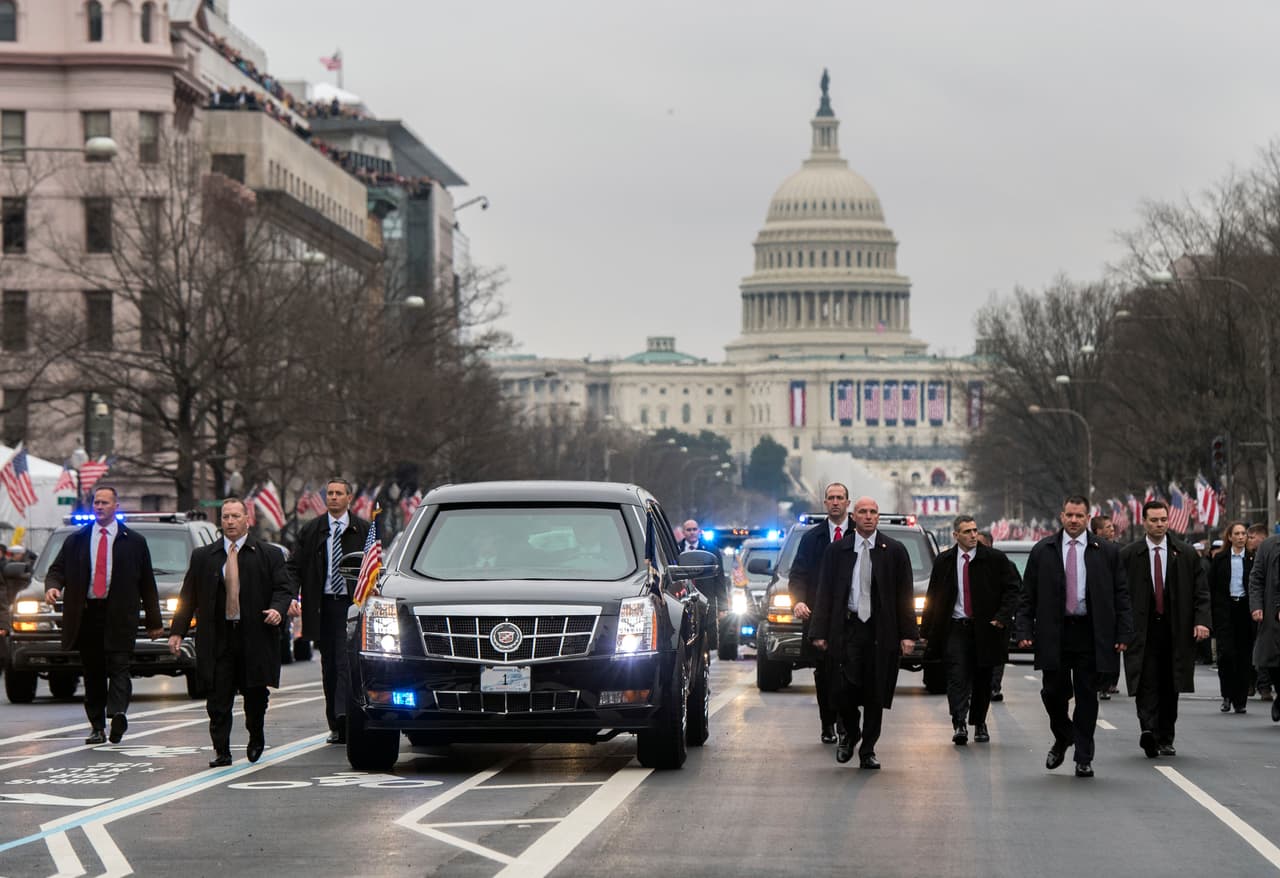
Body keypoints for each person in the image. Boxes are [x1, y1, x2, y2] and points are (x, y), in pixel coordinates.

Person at [169, 498, 293, 766]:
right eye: (225, 517)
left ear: (247, 519)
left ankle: (256, 737)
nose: (230, 521)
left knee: (255, 695)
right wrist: (177, 631)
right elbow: (188, 596)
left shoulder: (267, 555)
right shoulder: (204, 557)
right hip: (218, 636)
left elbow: (283, 589)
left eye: (236, 516)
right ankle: (221, 751)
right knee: (217, 696)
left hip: (254, 635)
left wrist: (277, 610)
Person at [1016, 496, 1132, 778]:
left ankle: (1083, 756)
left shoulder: (1105, 551)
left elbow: (1121, 595)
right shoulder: (1043, 550)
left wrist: (1123, 631)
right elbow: (1027, 595)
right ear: (1061, 516)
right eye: (1069, 515)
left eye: (1079, 515)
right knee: (1052, 692)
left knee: (1086, 696)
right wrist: (1023, 629)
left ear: (1087, 517)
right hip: (1054, 632)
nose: (1074, 520)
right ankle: (1064, 734)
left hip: (1090, 633)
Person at [45, 486, 162, 745]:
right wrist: (53, 586)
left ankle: (117, 713)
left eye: (105, 502)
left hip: (120, 614)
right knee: (94, 672)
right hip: (88, 615)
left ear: (115, 506)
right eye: (96, 502)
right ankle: (97, 726)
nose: (99, 506)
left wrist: (155, 622)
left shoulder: (133, 541)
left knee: (120, 666)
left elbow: (147, 584)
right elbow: (57, 569)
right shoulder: (77, 539)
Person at [809, 496, 917, 770]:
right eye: (863, 512)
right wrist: (819, 631)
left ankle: (867, 749)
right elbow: (825, 592)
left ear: (878, 517)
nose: (869, 516)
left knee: (875, 693)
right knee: (843, 688)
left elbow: (905, 596)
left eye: (873, 512)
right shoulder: (837, 550)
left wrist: (908, 634)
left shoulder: (894, 551)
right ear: (853, 516)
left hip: (881, 631)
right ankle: (850, 733)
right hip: (847, 628)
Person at [1119, 500, 1210, 758]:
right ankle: (1148, 730)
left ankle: (1166, 737)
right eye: (1154, 520)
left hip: (1176, 630)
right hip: (1142, 631)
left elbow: (1201, 592)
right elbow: (1120, 594)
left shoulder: (1185, 553)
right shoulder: (1129, 555)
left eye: (1163, 520)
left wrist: (1201, 621)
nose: (1159, 525)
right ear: (1144, 522)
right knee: (1145, 681)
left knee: (1171, 684)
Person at [922, 515, 1020, 745]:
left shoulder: (994, 559)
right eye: (967, 531)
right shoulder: (944, 561)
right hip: (955, 628)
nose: (973, 535)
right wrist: (926, 631)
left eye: (975, 530)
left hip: (986, 629)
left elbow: (1013, 590)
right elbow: (933, 596)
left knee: (982, 678)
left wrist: (1002, 617)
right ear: (956, 536)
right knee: (957, 677)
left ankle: (980, 722)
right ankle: (959, 723)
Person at [287, 478, 370, 743]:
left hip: (352, 606)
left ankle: (346, 717)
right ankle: (335, 722)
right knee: (329, 665)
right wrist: (290, 597)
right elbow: (294, 567)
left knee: (346, 662)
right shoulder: (312, 530)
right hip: (322, 606)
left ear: (349, 498)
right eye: (330, 493)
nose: (333, 497)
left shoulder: (363, 530)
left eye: (338, 493)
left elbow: (376, 569)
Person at [788, 482, 852, 744]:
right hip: (820, 618)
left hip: (852, 618)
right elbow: (798, 574)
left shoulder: (859, 537)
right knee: (825, 674)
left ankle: (845, 722)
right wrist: (799, 601)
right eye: (831, 498)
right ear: (825, 503)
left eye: (840, 498)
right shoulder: (811, 538)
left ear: (848, 502)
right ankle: (828, 722)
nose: (835, 502)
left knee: (849, 673)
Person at [1210, 521, 1254, 714]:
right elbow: (1211, 588)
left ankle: (1240, 700)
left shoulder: (1252, 559)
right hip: (1225, 611)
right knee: (1226, 655)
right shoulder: (1219, 560)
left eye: (1243, 533)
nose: (1241, 537)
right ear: (1230, 537)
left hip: (1245, 610)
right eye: (1236, 533)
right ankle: (1227, 695)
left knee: (1244, 656)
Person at [1249, 531, 1280, 724]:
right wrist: (1257, 606)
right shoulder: (1268, 546)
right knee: (1274, 661)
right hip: (1271, 614)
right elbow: (1256, 579)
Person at [1091, 515, 1122, 700]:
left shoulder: (1116, 550)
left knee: (1112, 648)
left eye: (1112, 527)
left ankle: (1109, 682)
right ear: (1098, 530)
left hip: (1111, 607)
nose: (1112, 530)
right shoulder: (1089, 549)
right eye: (1108, 527)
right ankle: (1098, 681)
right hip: (1094, 606)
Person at [1246, 523, 1272, 701]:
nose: (1248, 540)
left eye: (1251, 537)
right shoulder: (1253, 556)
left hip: (1271, 608)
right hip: (1261, 610)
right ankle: (1262, 685)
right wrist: (1257, 606)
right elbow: (1255, 582)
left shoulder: (1270, 550)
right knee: (1261, 649)